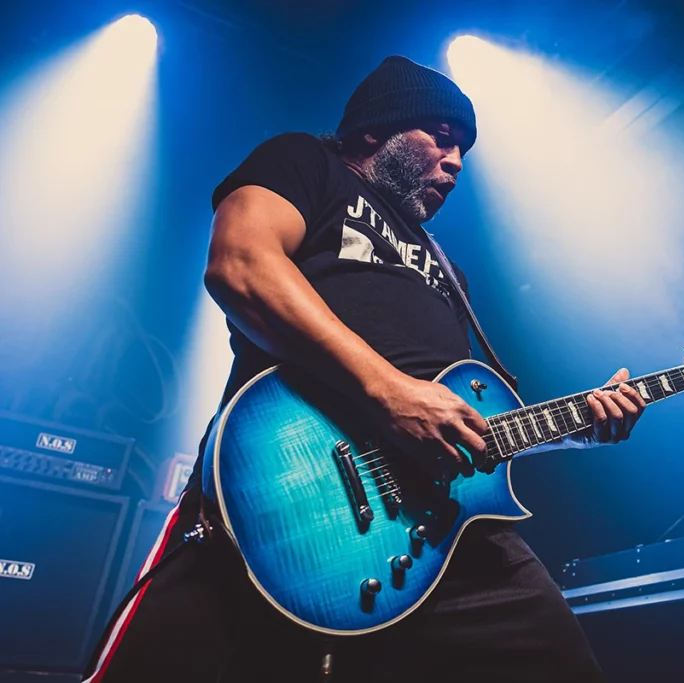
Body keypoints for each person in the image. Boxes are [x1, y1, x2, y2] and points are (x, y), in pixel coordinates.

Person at [84, 55, 646, 683]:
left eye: (465, 149)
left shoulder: (446, 270)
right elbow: (240, 263)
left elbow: (464, 424)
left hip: (437, 535)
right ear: (378, 128)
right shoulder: (307, 163)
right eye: (442, 136)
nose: (457, 161)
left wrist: (579, 423)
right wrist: (390, 393)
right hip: (293, 491)